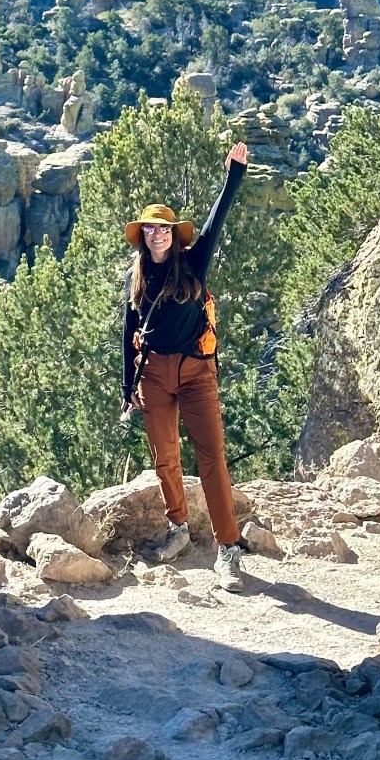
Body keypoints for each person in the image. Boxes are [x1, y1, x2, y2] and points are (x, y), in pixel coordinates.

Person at [120, 142, 248, 591]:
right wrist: (125, 387)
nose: (157, 235)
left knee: (212, 457)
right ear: (143, 237)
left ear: (175, 234)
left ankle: (228, 550)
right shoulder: (136, 278)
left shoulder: (194, 263)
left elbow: (218, 220)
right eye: (151, 230)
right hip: (153, 373)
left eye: (164, 229)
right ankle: (179, 529)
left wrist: (233, 174)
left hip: (196, 372)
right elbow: (128, 331)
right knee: (165, 458)